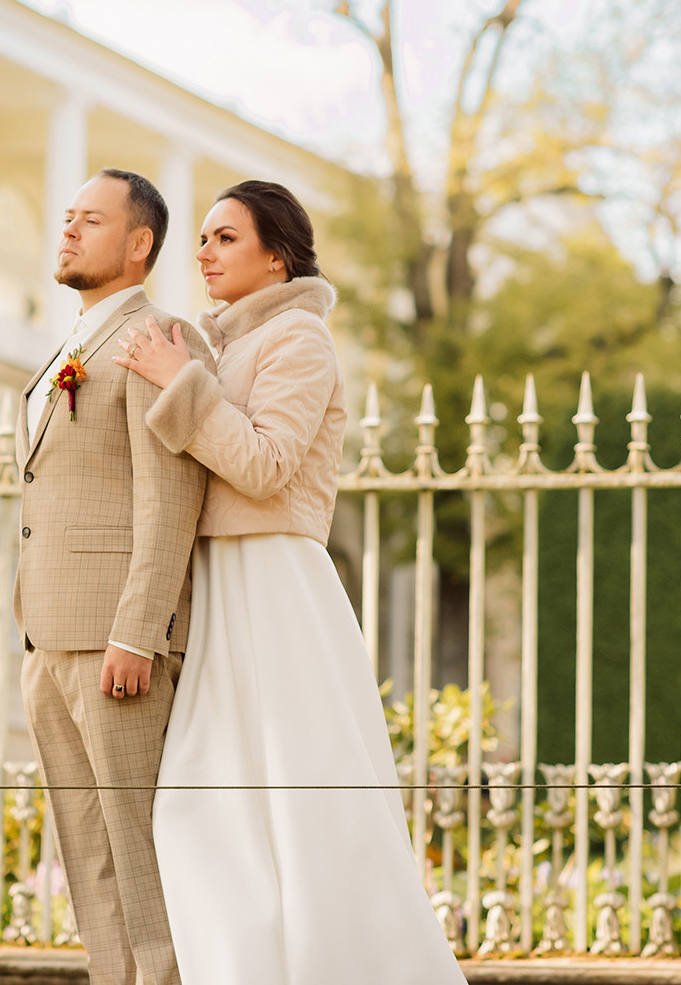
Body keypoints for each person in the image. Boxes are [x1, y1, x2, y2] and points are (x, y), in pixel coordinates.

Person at [113, 179, 465, 984]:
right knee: (206, 804)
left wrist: (177, 380)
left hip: (276, 585)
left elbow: (266, 466)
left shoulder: (301, 338)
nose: (203, 251)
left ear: (277, 257)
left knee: (301, 807)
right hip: (221, 589)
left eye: (225, 237)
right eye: (201, 237)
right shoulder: (222, 345)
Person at [15, 167, 214, 985]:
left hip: (115, 647)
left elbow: (168, 500)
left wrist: (137, 631)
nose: (68, 230)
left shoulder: (157, 338)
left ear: (139, 245)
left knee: (140, 854)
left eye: (90, 220)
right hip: (47, 638)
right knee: (86, 856)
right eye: (67, 217)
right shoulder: (68, 346)